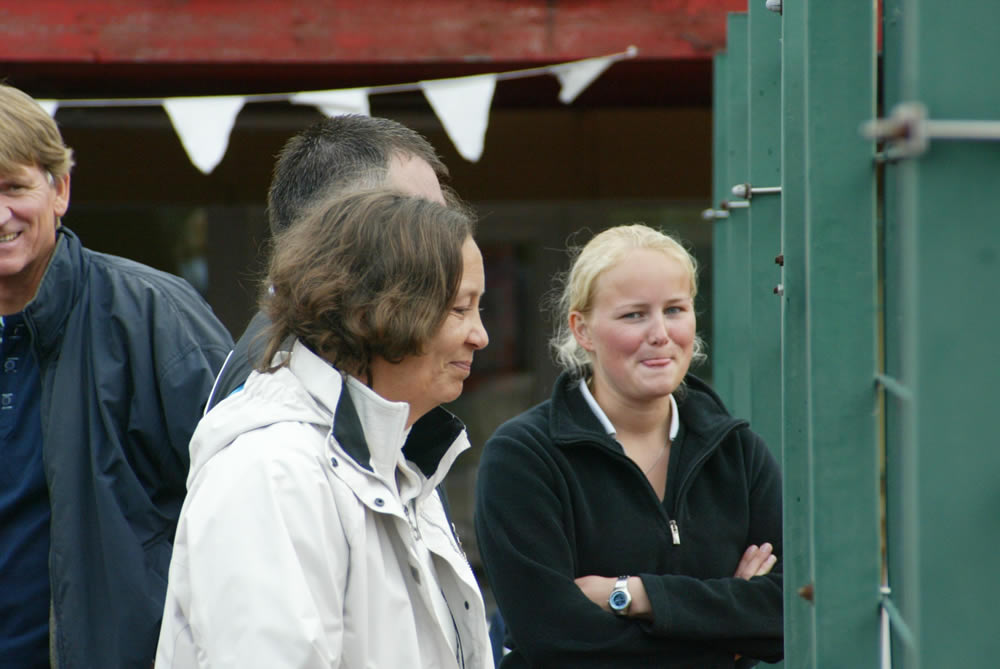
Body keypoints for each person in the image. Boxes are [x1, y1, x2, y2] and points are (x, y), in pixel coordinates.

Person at [157, 190, 493, 669]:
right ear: (376, 310)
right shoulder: (271, 472)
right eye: (460, 308)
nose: (480, 335)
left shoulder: (396, 464)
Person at [474, 224, 783, 668]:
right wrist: (729, 638)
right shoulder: (524, 457)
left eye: (675, 309)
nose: (660, 333)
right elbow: (554, 638)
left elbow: (786, 610)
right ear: (582, 330)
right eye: (634, 315)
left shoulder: (737, 452)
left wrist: (634, 594)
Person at [0, 83, 233, 668]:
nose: (1, 214)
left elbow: (246, 509)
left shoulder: (153, 316)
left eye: (14, 188)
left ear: (61, 190)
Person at [205, 114, 452, 412]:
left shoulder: (321, 357)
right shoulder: (271, 400)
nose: (445, 244)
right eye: (416, 220)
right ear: (336, 228)